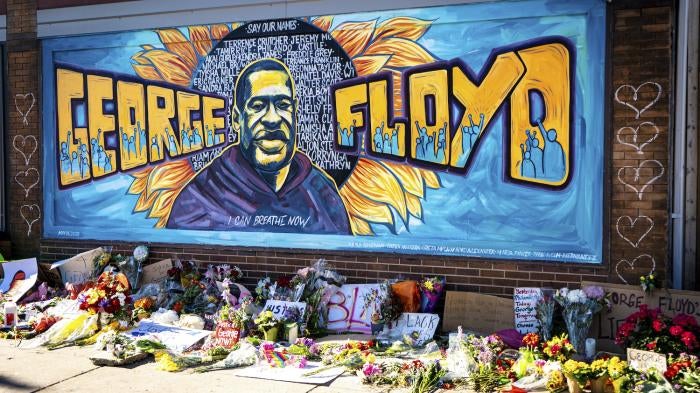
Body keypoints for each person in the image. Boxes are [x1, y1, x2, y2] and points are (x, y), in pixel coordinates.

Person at [167, 58, 350, 234]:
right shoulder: (200, 197)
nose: (273, 119)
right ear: (237, 119)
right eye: (258, 105)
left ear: (295, 113)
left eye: (283, 104)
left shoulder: (321, 193)